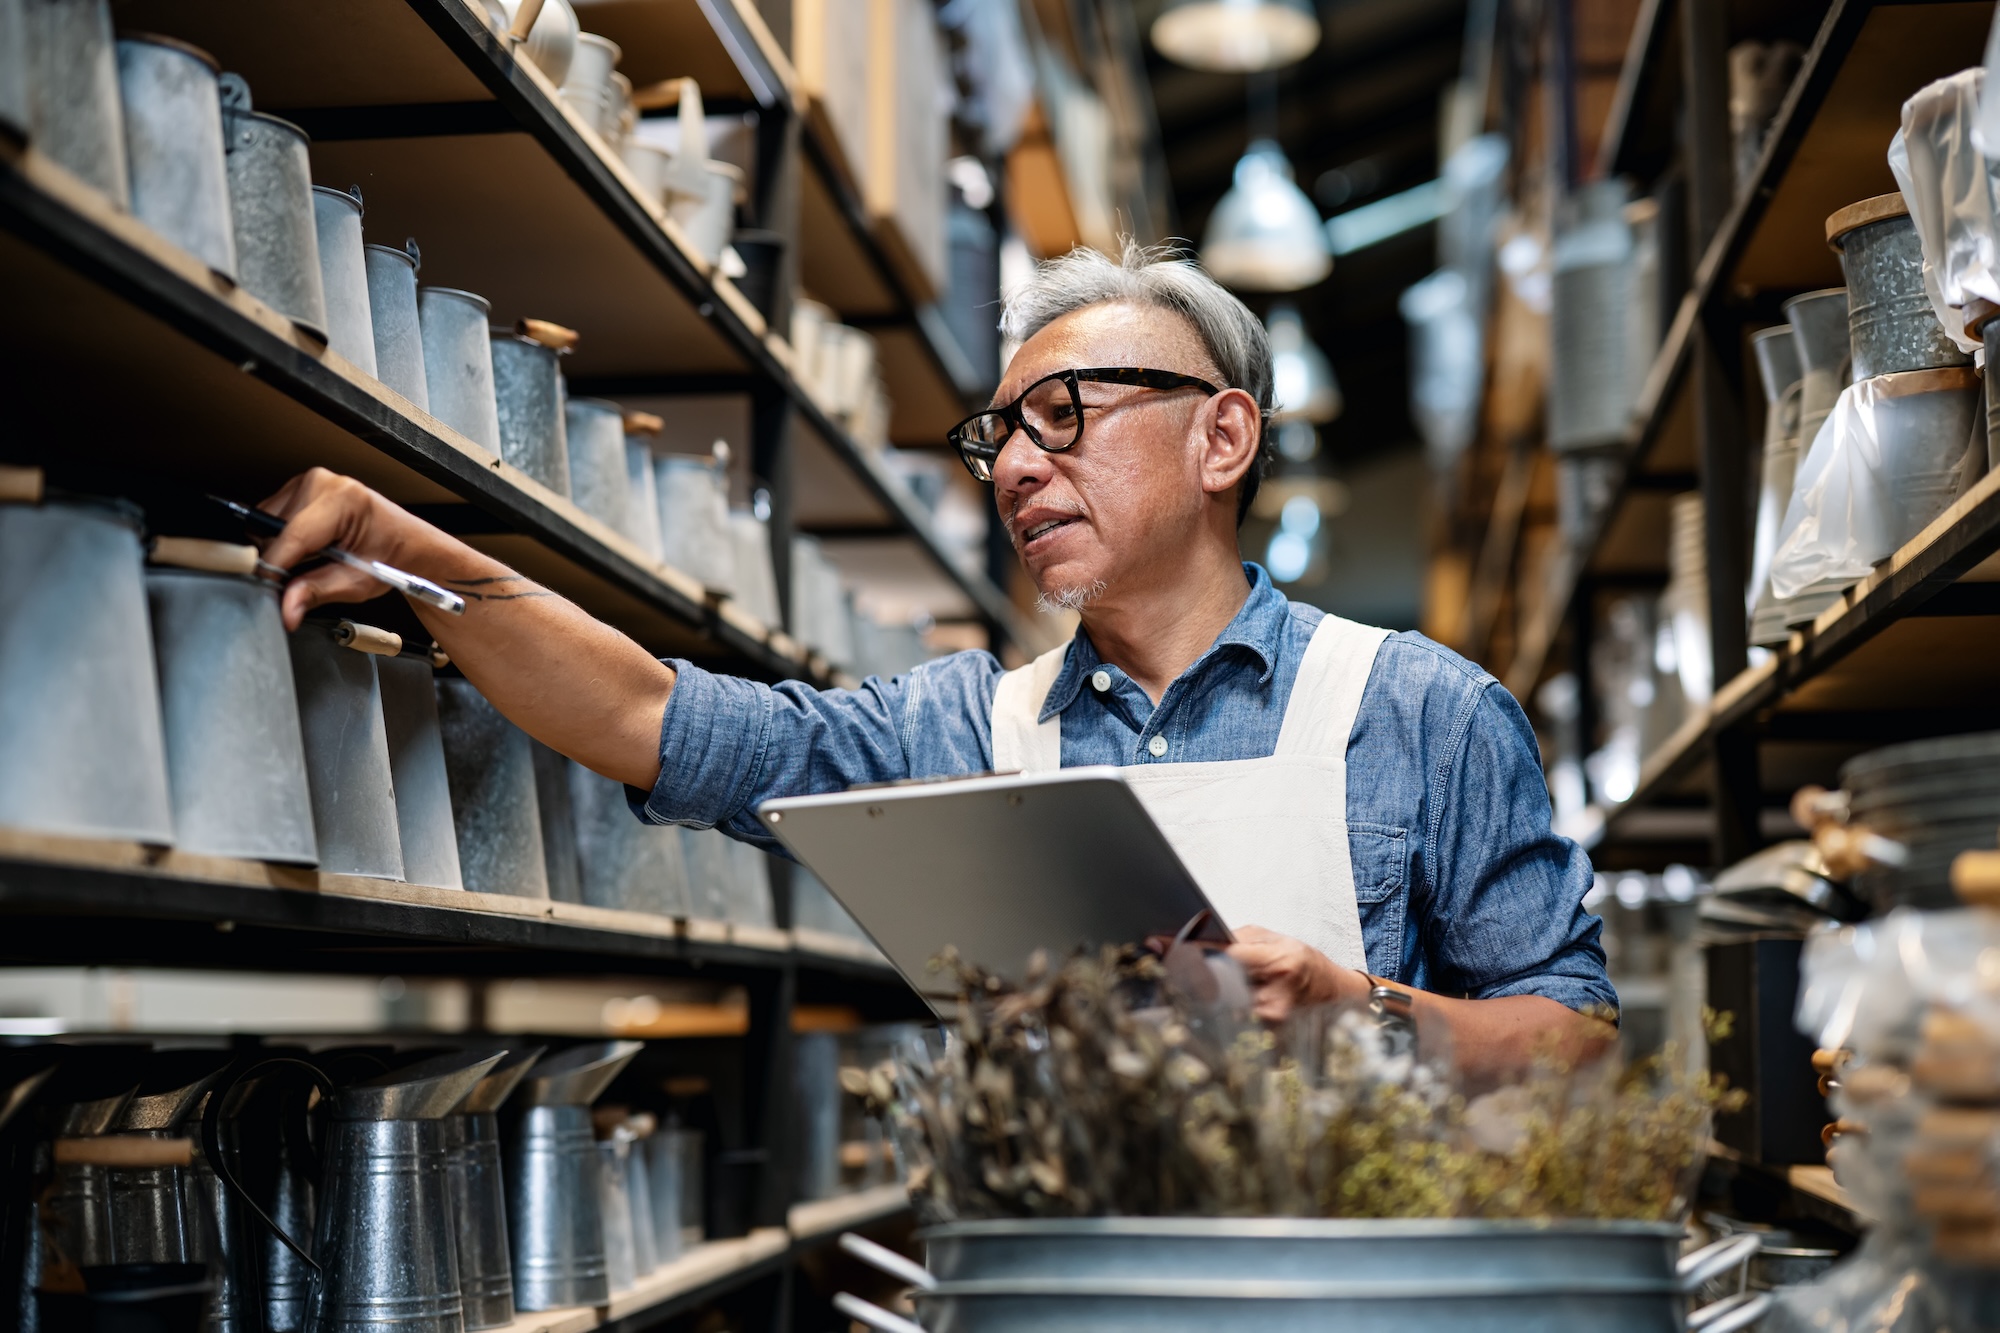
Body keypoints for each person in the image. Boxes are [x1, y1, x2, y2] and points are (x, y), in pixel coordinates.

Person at [257, 243, 1616, 1079]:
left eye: (1067, 414)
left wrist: (1358, 1006)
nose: (1019, 464)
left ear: (1223, 439)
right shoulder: (968, 727)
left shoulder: (1422, 707)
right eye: (1002, 434)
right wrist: (407, 552)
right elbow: (649, 715)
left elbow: (1581, 1047)